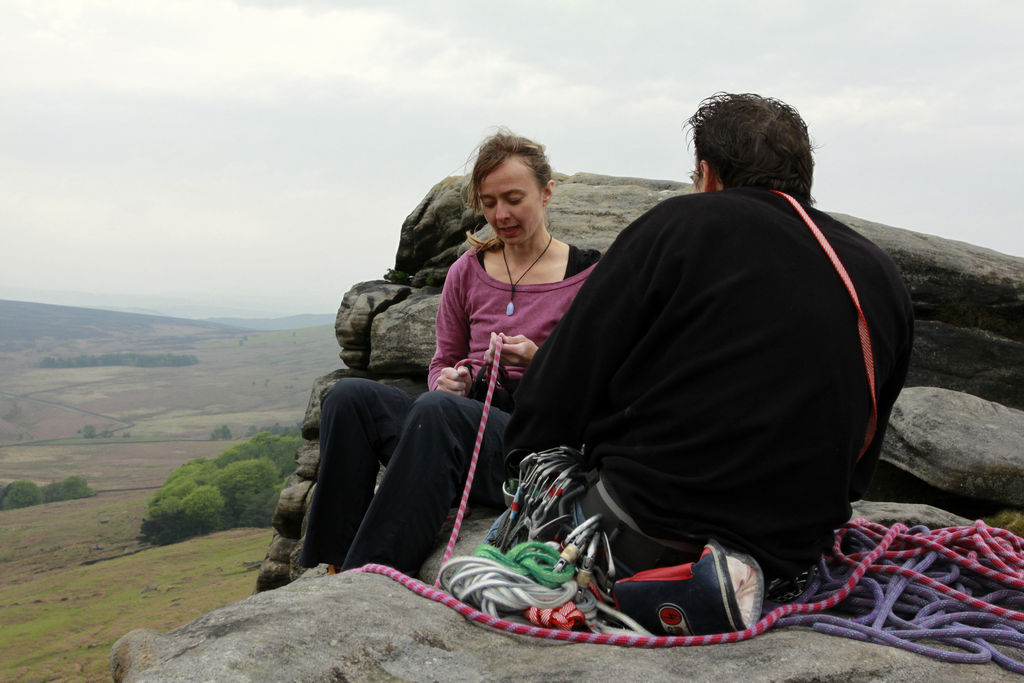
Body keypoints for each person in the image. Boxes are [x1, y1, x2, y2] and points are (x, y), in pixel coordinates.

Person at [504, 93, 915, 595]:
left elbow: (556, 392)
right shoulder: (879, 273)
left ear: (708, 174)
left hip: (639, 539)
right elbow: (857, 468)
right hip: (785, 560)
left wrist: (524, 468)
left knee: (433, 419)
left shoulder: (678, 225)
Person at [300, 129, 599, 576]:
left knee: (438, 411)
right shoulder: (467, 271)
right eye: (489, 202)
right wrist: (448, 381)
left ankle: (374, 571)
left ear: (547, 192)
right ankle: (335, 561)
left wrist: (540, 362)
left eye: (514, 198)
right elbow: (444, 360)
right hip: (462, 429)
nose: (501, 214)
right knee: (348, 399)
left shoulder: (588, 276)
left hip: (534, 453)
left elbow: (603, 382)